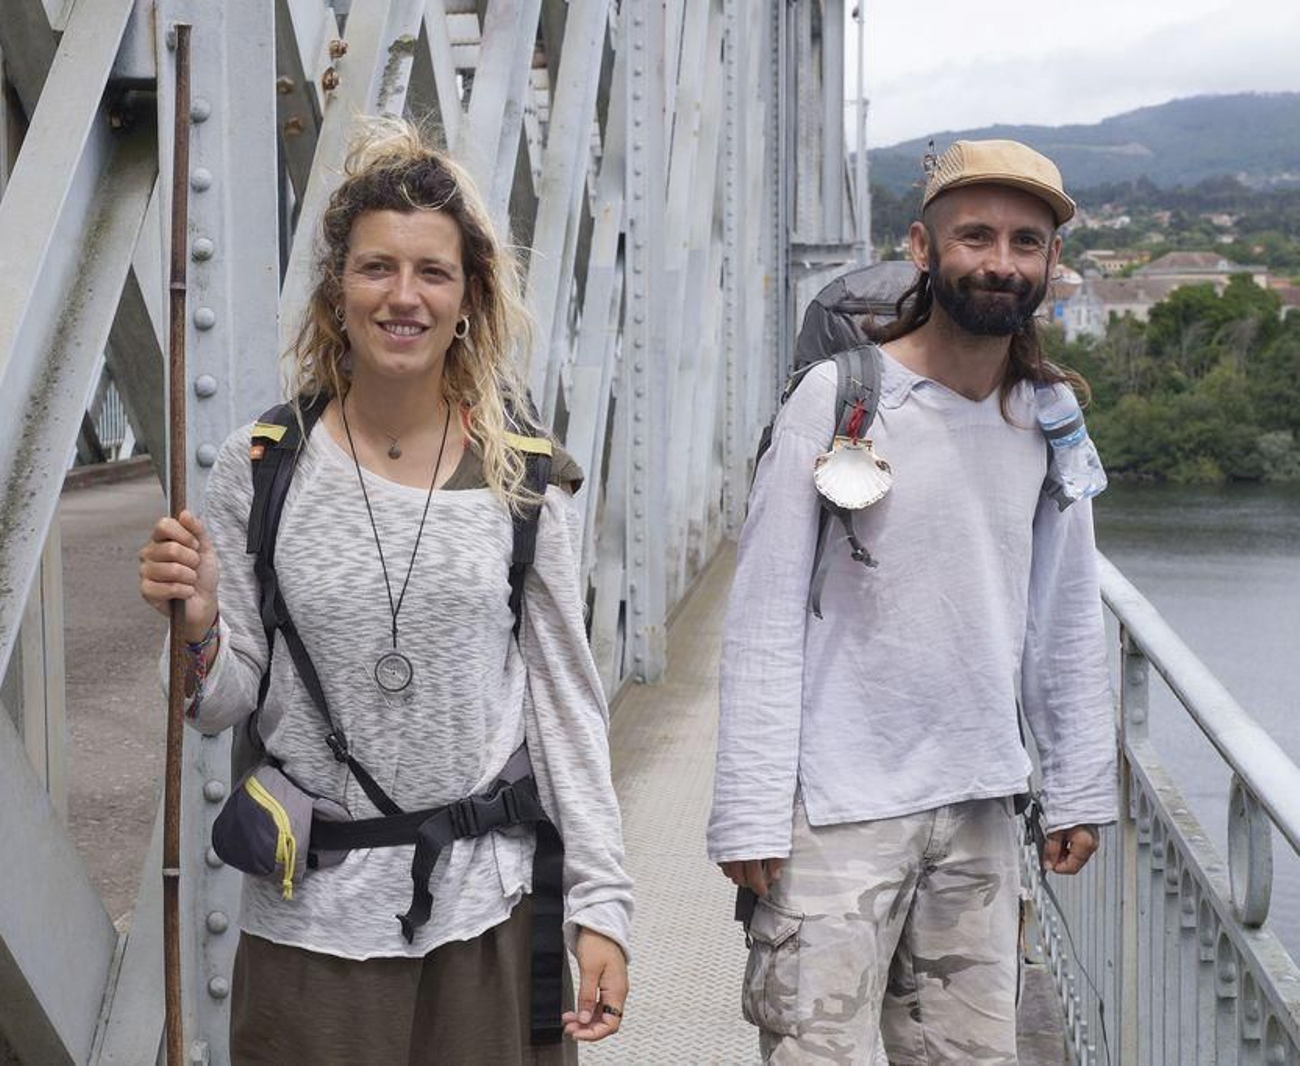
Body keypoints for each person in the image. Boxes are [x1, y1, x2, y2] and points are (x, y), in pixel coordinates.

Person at [137, 118, 631, 1063]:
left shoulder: (524, 480)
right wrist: (198, 621)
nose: (403, 296)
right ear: (337, 291)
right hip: (311, 924)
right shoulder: (262, 470)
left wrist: (604, 908)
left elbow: (569, 707)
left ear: (469, 298)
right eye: (376, 268)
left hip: (487, 912)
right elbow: (221, 703)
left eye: (432, 272)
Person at [708, 139, 1117, 1062]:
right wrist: (748, 806)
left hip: (980, 801)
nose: (1001, 262)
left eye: (1026, 242)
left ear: (1052, 263)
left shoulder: (1048, 417)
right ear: (923, 250)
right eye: (975, 236)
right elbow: (765, 610)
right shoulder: (841, 397)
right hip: (836, 806)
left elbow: (1066, 613)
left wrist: (1079, 786)